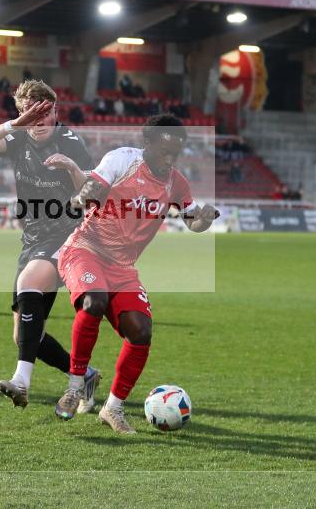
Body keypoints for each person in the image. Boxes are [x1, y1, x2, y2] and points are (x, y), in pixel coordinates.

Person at [52, 114, 218, 434]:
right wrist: (82, 196)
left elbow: (192, 221)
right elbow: (94, 185)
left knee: (141, 331)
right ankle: (74, 387)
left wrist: (206, 219)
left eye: (176, 153)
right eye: (164, 151)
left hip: (123, 268)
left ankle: (112, 408)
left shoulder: (177, 182)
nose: (170, 159)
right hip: (85, 250)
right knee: (94, 302)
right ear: (148, 144)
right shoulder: (122, 159)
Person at [0, 79, 101, 412]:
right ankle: (85, 374)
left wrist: (71, 168)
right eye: (32, 113)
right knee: (25, 336)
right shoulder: (16, 137)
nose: (40, 120)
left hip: (68, 236)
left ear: (56, 111)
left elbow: (91, 190)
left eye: (46, 112)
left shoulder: (70, 141)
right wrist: (13, 125)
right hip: (32, 240)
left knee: (29, 282)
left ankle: (21, 382)